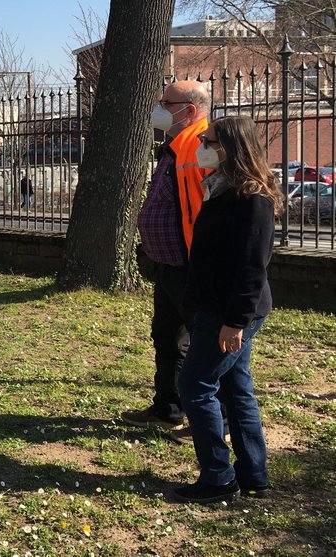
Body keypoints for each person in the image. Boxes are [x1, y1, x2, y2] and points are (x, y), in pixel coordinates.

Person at [172, 115, 281, 504]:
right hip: (216, 307)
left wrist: (234, 322)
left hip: (230, 313)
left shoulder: (251, 199)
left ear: (232, 147)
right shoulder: (221, 188)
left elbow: (252, 267)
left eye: (209, 140)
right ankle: (254, 477)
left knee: (195, 386)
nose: (202, 145)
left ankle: (219, 478)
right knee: (236, 390)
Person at [123, 80, 211, 431]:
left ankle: (207, 419)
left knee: (200, 342)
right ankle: (167, 408)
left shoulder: (202, 144)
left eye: (165, 102)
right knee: (166, 336)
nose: (157, 108)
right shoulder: (175, 145)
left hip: (190, 262)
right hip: (169, 263)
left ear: (188, 110)